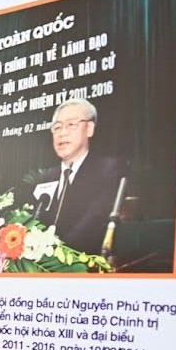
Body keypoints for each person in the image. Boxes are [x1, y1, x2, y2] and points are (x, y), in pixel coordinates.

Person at [32, 98, 128, 256]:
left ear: (89, 128)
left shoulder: (108, 170)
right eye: (57, 127)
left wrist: (54, 257)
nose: (62, 133)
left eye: (71, 125)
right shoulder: (47, 177)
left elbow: (93, 223)